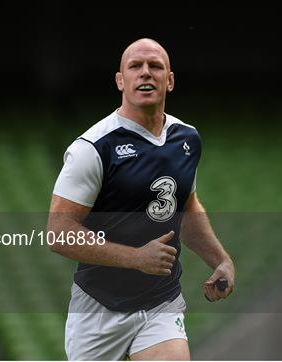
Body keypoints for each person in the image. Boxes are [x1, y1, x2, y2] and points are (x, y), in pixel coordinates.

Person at [47, 38, 235, 361]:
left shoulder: (186, 139)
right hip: (99, 307)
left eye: (155, 66)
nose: (145, 73)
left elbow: (186, 206)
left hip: (160, 300)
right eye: (135, 66)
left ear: (170, 80)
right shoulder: (93, 148)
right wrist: (136, 258)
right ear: (121, 81)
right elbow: (58, 232)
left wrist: (221, 260)